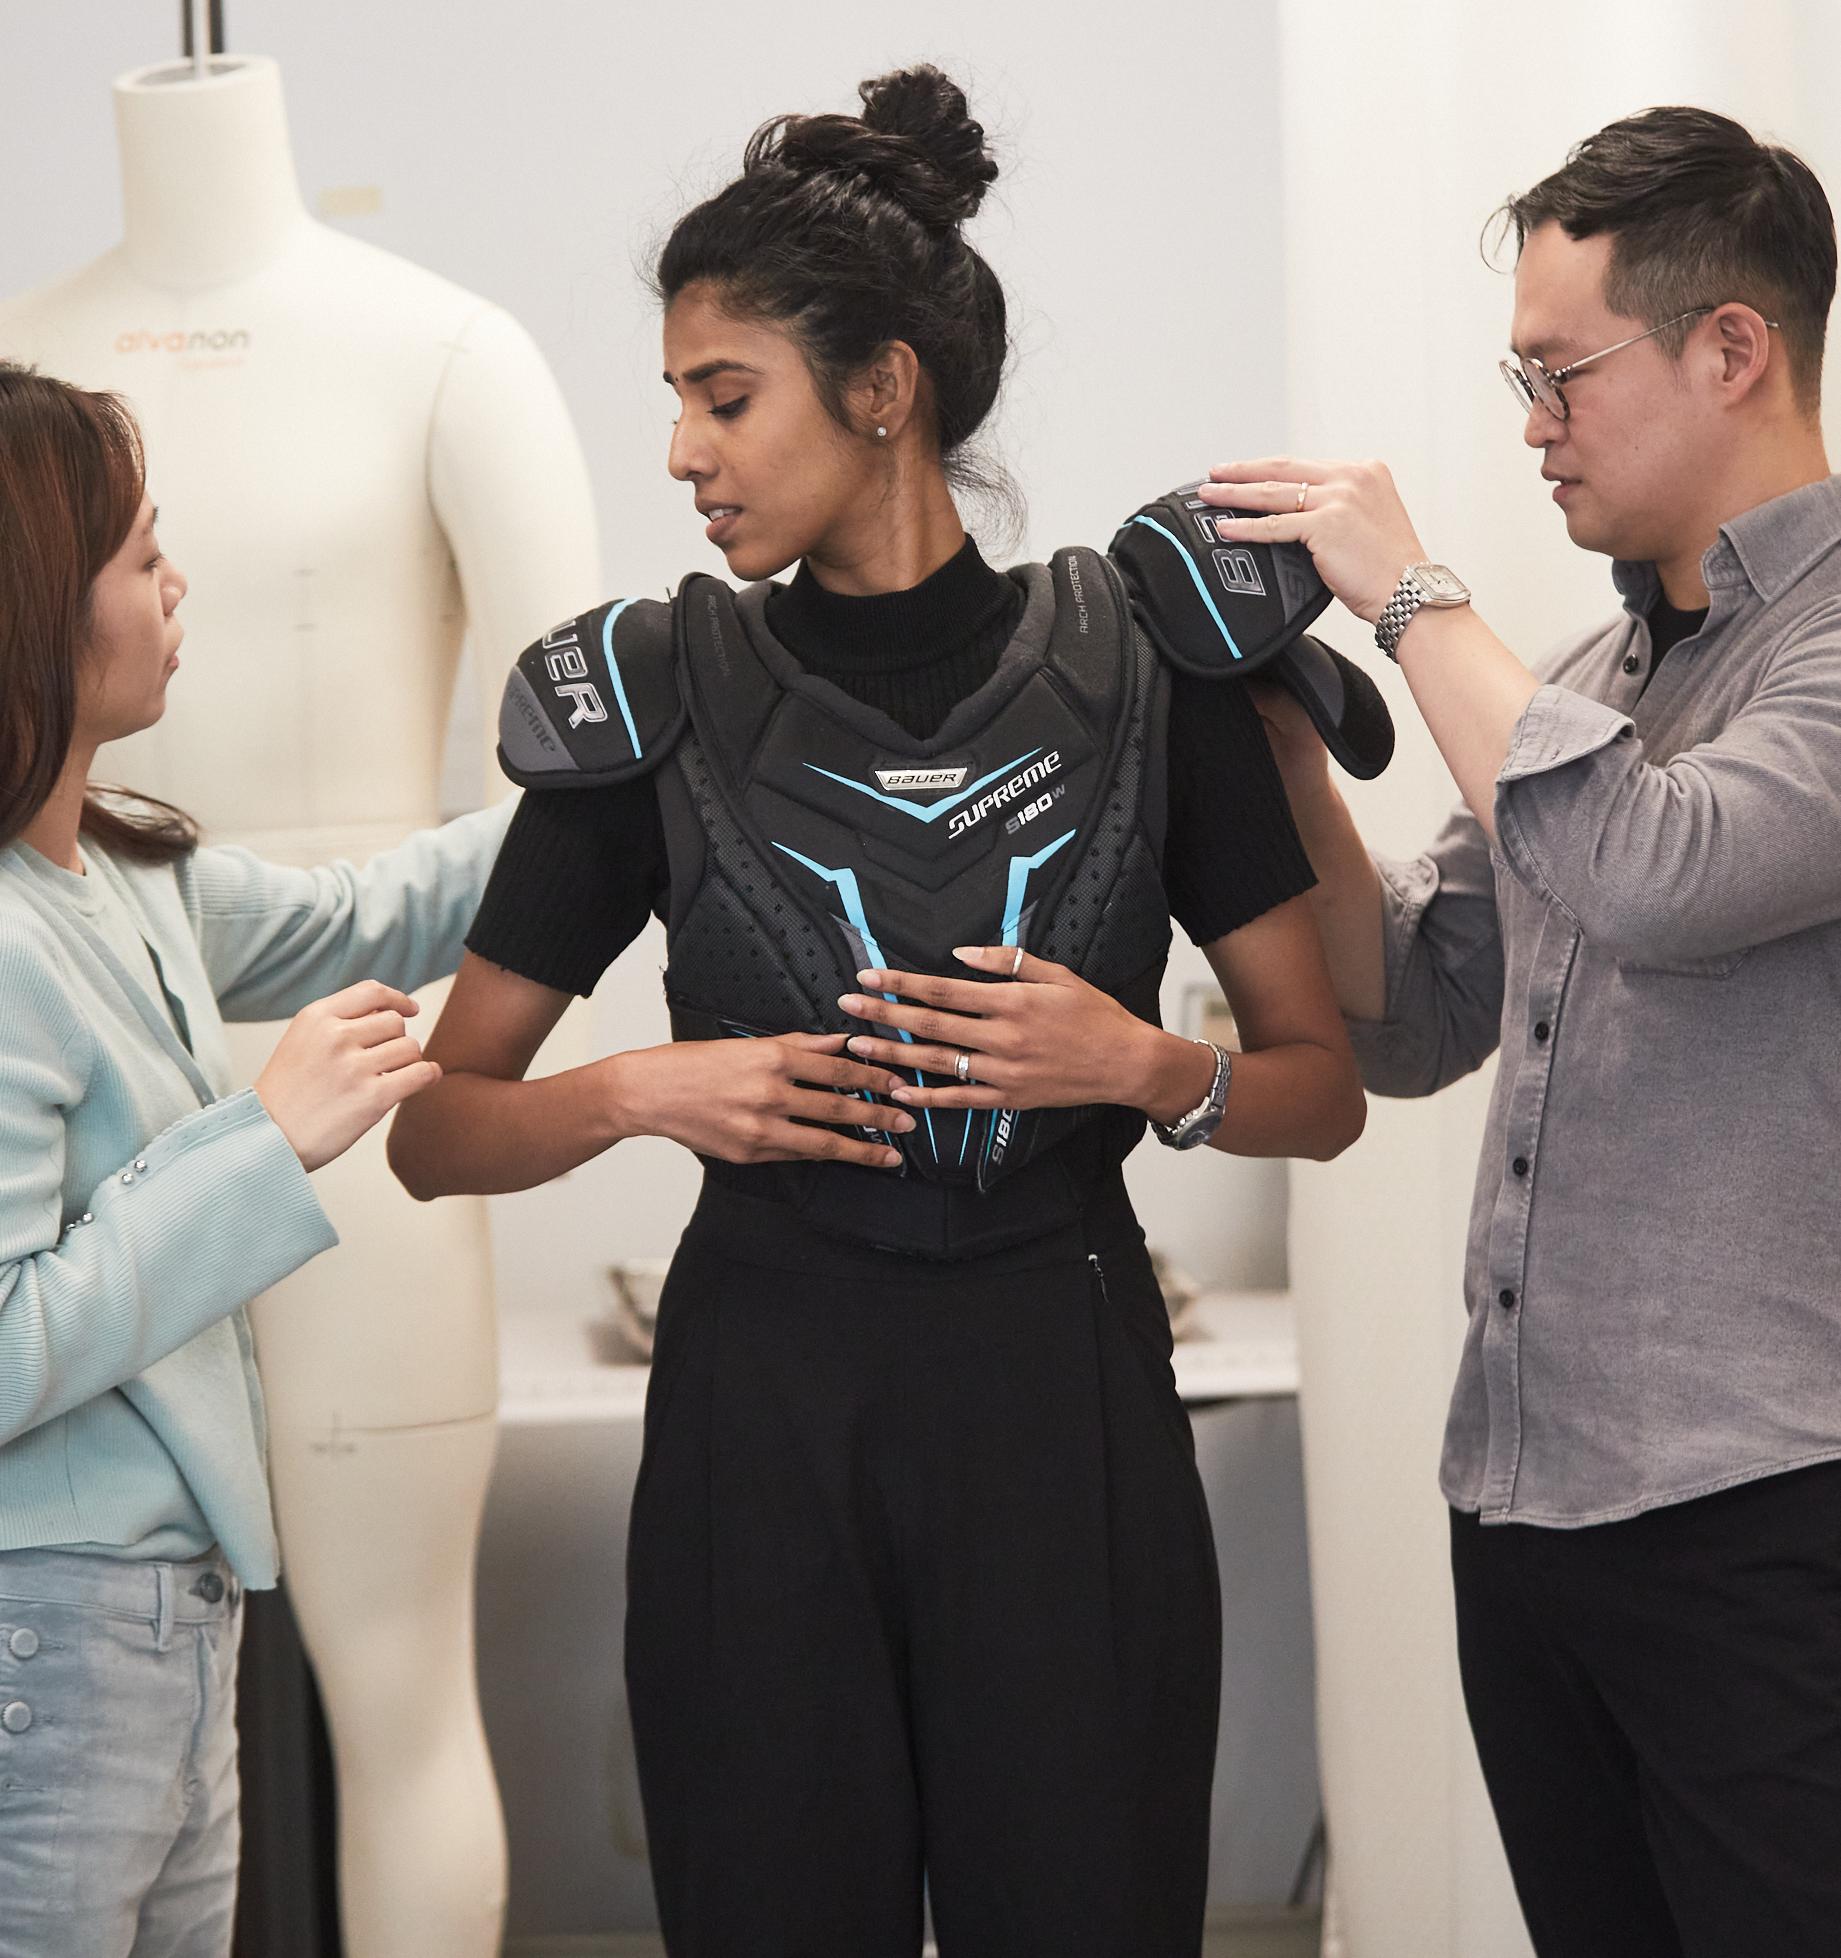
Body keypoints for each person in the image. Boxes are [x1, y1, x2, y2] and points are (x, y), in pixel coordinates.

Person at [388, 64, 1363, 1958]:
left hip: (1060, 1399)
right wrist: (650, 1089)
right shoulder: (649, 700)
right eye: (674, 397)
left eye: (721, 393)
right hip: (764, 1405)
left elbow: (1320, 1089)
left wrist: (1146, 1066)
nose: (681, 450)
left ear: (885, 387)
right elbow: (439, 1126)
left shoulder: (1152, 672)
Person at [1199, 106, 1841, 1955]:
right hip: (1530, 1505)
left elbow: (1654, 868)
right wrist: (1284, 754)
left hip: (1762, 1518)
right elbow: (1410, 1009)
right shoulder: (1575, 684)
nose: (1531, 422)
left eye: (1560, 373)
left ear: (1733, 349)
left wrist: (1411, 597)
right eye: (1518, 376)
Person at [0, 361, 512, 1958]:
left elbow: (383, 913)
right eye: (143, 555)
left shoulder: (124, 870)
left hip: (170, 1618)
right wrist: (262, 1140)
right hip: (45, 1627)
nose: (177, 586)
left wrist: (643, 746)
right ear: (36, 605)